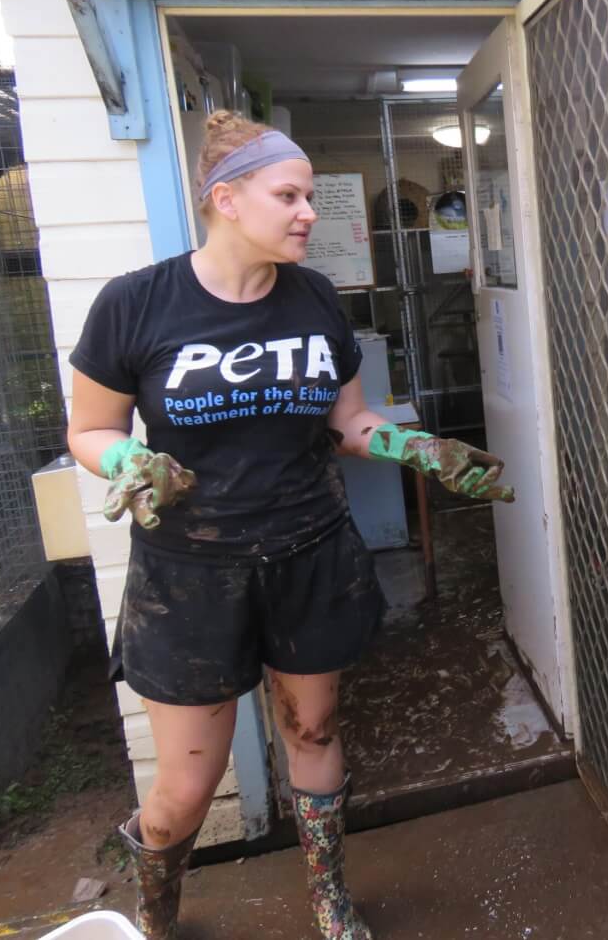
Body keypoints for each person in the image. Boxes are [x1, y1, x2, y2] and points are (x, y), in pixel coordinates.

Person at [66, 110, 514, 940]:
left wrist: (418, 448)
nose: (310, 212)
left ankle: (329, 897)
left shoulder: (312, 297)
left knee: (314, 729)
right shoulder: (136, 303)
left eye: (309, 195)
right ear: (226, 199)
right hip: (189, 572)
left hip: (308, 551)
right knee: (187, 786)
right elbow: (89, 429)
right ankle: (156, 911)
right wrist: (127, 461)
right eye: (290, 195)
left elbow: (349, 422)